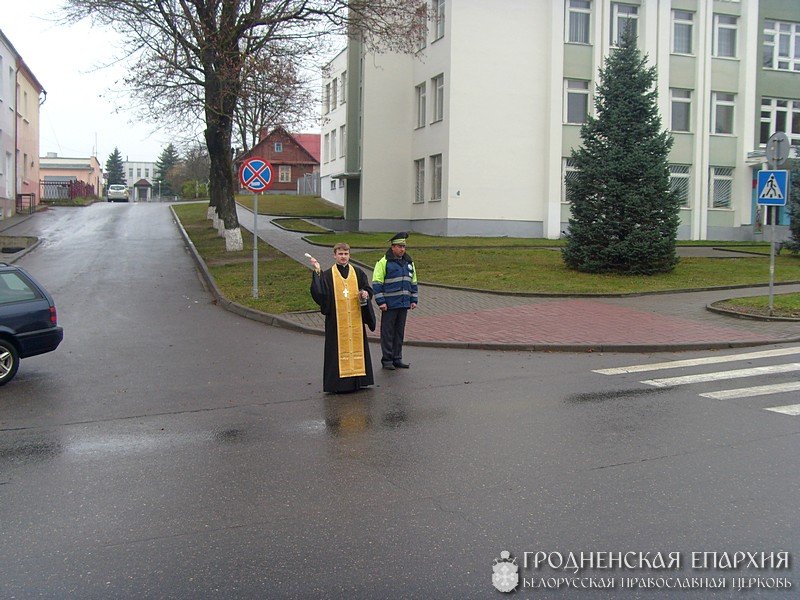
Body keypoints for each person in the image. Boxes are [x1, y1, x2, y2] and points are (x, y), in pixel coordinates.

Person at [309, 243, 376, 393]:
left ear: (349, 255)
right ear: (334, 255)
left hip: (355, 320)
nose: (343, 257)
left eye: (346, 254)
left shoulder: (358, 272)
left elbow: (367, 288)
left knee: (358, 347)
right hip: (336, 322)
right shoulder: (327, 275)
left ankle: (359, 381)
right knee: (336, 350)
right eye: (340, 254)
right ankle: (338, 385)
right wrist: (317, 271)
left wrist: (365, 293)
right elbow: (320, 294)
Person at [372, 232, 418, 370]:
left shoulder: (409, 262)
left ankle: (397, 358)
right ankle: (387, 360)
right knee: (388, 333)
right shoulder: (383, 262)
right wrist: (381, 302)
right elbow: (377, 283)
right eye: (399, 246)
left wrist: (413, 299)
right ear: (392, 247)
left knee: (399, 332)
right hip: (389, 305)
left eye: (404, 246)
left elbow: (413, 282)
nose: (402, 249)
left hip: (403, 304)